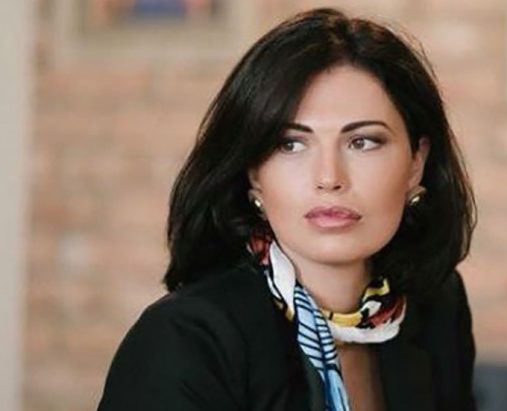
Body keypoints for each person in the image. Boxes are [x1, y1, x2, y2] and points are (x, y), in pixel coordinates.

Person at [97, 7, 477, 411]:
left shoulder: (436, 307)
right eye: (291, 144)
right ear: (254, 173)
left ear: (416, 163)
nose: (329, 177)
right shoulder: (186, 340)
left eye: (363, 142)